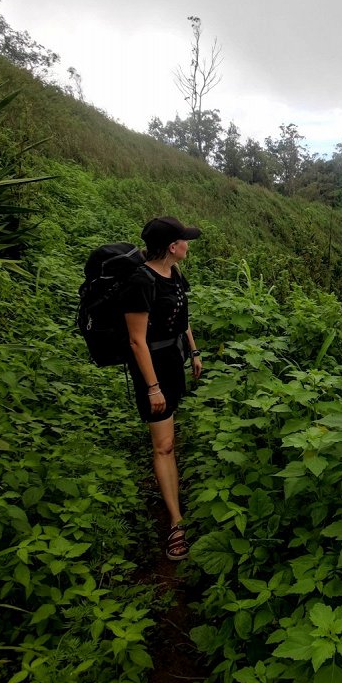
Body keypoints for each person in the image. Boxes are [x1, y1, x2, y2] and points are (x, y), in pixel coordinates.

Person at [124, 216, 204, 561]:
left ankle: (171, 479)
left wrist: (194, 350)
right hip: (152, 369)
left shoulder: (174, 273)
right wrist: (153, 388)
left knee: (168, 434)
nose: (188, 243)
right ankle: (175, 523)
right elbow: (136, 341)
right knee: (165, 445)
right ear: (172, 247)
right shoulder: (139, 281)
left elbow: (181, 317)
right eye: (184, 239)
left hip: (173, 361)